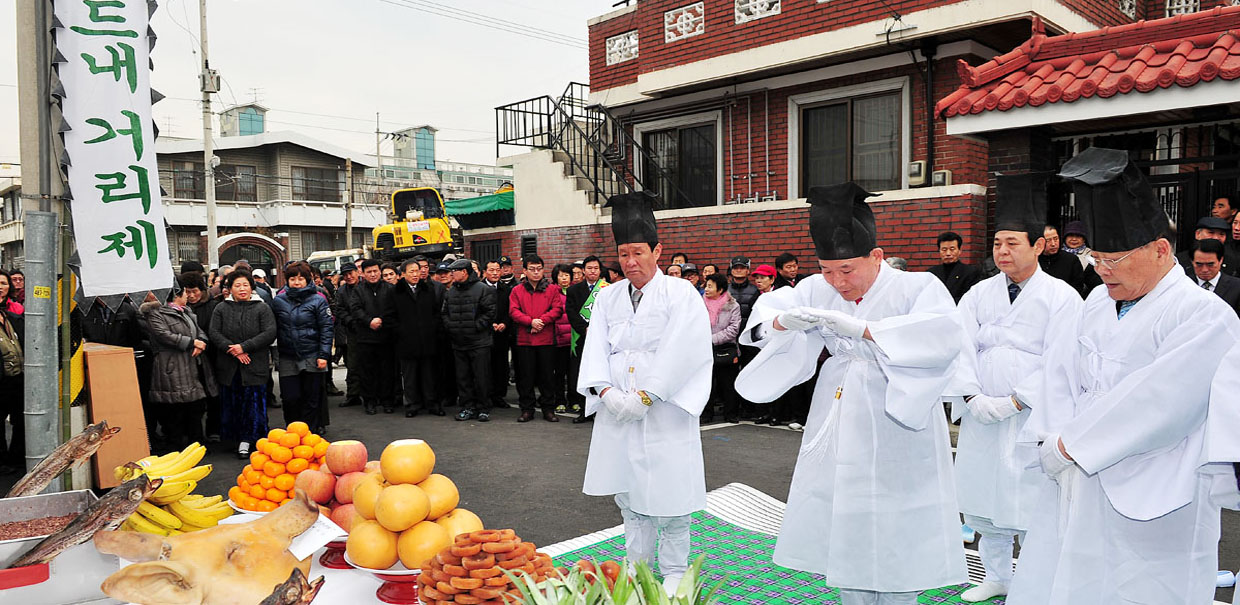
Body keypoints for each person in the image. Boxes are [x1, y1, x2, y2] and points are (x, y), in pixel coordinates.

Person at [1007, 148, 1240, 604]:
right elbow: (1059, 374)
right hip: (1075, 481)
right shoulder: (1095, 303)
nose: (1101, 269)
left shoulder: (1203, 315)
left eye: (1114, 259)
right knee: (1070, 583)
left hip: (1155, 494)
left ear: (1160, 249)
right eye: (1096, 257)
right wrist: (1051, 437)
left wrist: (1068, 444)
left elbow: (1161, 402)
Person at [735, 182, 966, 605]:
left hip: (896, 411)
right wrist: (786, 321)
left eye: (847, 270)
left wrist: (867, 331)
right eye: (826, 270)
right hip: (837, 406)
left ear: (876, 256)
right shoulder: (817, 287)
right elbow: (764, 321)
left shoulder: (916, 288)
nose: (837, 282)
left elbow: (943, 338)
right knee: (843, 508)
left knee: (895, 516)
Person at [946, 174, 1084, 602]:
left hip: (1030, 414)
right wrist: (972, 396)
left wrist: (1015, 400)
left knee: (1030, 498)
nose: (1002, 252)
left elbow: (1062, 359)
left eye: (1012, 243)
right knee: (984, 499)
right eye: (997, 244)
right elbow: (958, 345)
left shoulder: (1061, 297)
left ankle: (1036, 581)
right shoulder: (978, 293)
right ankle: (996, 577)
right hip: (981, 412)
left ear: (1038, 245)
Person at [578, 192, 712, 595]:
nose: (630, 262)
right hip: (617, 407)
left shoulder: (681, 293)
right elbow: (595, 346)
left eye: (638, 252)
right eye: (622, 254)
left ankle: (673, 569)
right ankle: (635, 564)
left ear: (657, 250)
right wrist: (605, 392)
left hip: (665, 409)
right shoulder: (607, 295)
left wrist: (647, 396)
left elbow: (685, 349)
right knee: (629, 492)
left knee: (671, 492)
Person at [139, 279, 214, 450]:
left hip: (192, 366)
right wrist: (191, 343)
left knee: (195, 409)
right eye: (185, 293)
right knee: (173, 411)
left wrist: (201, 341)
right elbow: (163, 335)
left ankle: (197, 446)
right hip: (170, 368)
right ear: (176, 295)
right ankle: (176, 448)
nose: (189, 296)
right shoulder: (155, 313)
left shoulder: (187, 312)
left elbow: (200, 331)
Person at [209, 271, 276, 458]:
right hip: (229, 366)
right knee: (232, 404)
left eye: (245, 285)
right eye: (237, 285)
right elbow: (214, 333)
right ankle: (234, 439)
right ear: (229, 289)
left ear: (251, 287)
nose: (242, 289)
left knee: (254, 404)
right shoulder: (221, 308)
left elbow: (270, 332)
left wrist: (244, 347)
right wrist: (233, 350)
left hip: (255, 366)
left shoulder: (262, 308)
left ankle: (252, 439)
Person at [271, 261, 334, 430]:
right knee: (290, 397)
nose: (296, 282)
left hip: (312, 355)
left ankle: (310, 432)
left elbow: (327, 328)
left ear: (308, 280)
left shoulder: (318, 300)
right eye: (292, 279)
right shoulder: (278, 301)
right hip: (287, 356)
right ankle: (292, 431)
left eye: (300, 279)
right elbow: (272, 328)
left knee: (311, 398)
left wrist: (324, 355)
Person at [386, 258, 446, 417]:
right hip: (406, 341)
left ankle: (432, 403)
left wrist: (433, 329)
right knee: (410, 375)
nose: (415, 274)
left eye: (417, 271)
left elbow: (435, 313)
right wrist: (401, 331)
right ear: (403, 273)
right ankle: (412, 405)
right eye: (411, 271)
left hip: (427, 339)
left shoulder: (428, 289)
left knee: (429, 375)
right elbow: (390, 317)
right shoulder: (394, 292)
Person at [508, 255, 564, 423]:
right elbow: (513, 311)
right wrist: (530, 321)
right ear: (524, 271)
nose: (536, 272)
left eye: (539, 269)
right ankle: (527, 409)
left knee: (547, 376)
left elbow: (558, 309)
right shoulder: (517, 290)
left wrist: (541, 321)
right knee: (525, 377)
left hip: (546, 340)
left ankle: (548, 408)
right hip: (524, 340)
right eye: (532, 269)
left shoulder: (552, 289)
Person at [444, 259, 496, 422]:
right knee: (463, 378)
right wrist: (451, 327)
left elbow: (490, 313)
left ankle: (483, 408)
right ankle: (467, 407)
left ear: (464, 272)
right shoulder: (451, 291)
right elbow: (444, 313)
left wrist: (475, 327)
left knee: (481, 377)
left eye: (454, 271)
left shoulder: (483, 289)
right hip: (458, 342)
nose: (451, 274)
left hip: (479, 342)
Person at [348, 259, 396, 415]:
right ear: (363, 273)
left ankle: (387, 400)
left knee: (387, 371)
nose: (373, 274)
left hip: (386, 337)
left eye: (376, 271)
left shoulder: (390, 289)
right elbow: (355, 309)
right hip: (365, 337)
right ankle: (369, 401)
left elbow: (394, 308)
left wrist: (382, 320)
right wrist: (369, 321)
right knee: (367, 371)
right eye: (369, 272)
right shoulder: (358, 290)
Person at [566, 256, 608, 424]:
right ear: (583, 270)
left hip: (601, 339)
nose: (592, 271)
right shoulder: (573, 290)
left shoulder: (607, 289)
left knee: (599, 374)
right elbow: (571, 312)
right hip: (581, 338)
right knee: (582, 374)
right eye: (589, 268)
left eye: (596, 268)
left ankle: (600, 411)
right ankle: (585, 410)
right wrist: (585, 328)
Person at [183, 273, 222, 442]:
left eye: (194, 291)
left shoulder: (213, 306)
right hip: (188, 358)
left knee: (213, 395)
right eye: (187, 292)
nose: (191, 296)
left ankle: (214, 429)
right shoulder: (179, 308)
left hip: (211, 357)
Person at [701, 273, 741, 424]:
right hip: (704, 349)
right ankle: (706, 413)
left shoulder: (732, 305)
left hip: (726, 347)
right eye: (706, 285)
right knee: (706, 384)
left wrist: (711, 339)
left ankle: (731, 413)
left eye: (711, 286)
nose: (707, 289)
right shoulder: (699, 303)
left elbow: (733, 329)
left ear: (721, 289)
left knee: (728, 384)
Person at [481, 260, 512, 410]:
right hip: (484, 334)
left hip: (502, 334)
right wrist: (489, 323)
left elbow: (510, 310)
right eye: (491, 270)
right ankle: (486, 396)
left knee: (501, 367)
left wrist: (504, 323)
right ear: (485, 272)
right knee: (486, 367)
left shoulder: (506, 289)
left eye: (497, 270)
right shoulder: (479, 288)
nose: (494, 273)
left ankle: (499, 396)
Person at [332, 263, 362, 408]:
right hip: (351, 331)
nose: (349, 277)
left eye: (351, 273)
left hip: (369, 329)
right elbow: (339, 309)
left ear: (357, 272)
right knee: (353, 365)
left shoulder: (365, 286)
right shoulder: (342, 291)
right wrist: (350, 321)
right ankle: (353, 395)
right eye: (346, 275)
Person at [0, 294, 23, 474]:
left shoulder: (12, 318)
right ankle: (2, 461)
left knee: (19, 419)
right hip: (2, 379)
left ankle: (15, 458)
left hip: (17, 379)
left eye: (4, 284)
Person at [928, 231, 983, 303]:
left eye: (952, 249)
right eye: (944, 250)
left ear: (960, 251)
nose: (948, 253)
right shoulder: (931, 273)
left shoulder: (970, 272)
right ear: (939, 251)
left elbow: (968, 299)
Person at [1190, 239, 1240, 314]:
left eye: (1210, 264)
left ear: (1221, 260)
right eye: (1199, 264)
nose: (1205, 270)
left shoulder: (1237, 287)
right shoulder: (1183, 285)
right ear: (1192, 262)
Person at [1038, 224, 1088, 296]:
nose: (1053, 244)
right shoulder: (1033, 260)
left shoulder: (1071, 260)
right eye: (1048, 240)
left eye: (1056, 239)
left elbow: (1077, 287)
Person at [550, 264, 574, 413]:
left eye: (566, 275)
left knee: (574, 372)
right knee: (559, 373)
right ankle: (560, 400)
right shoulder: (552, 292)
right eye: (560, 275)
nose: (564, 278)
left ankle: (574, 400)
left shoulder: (576, 291)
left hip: (574, 339)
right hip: (558, 339)